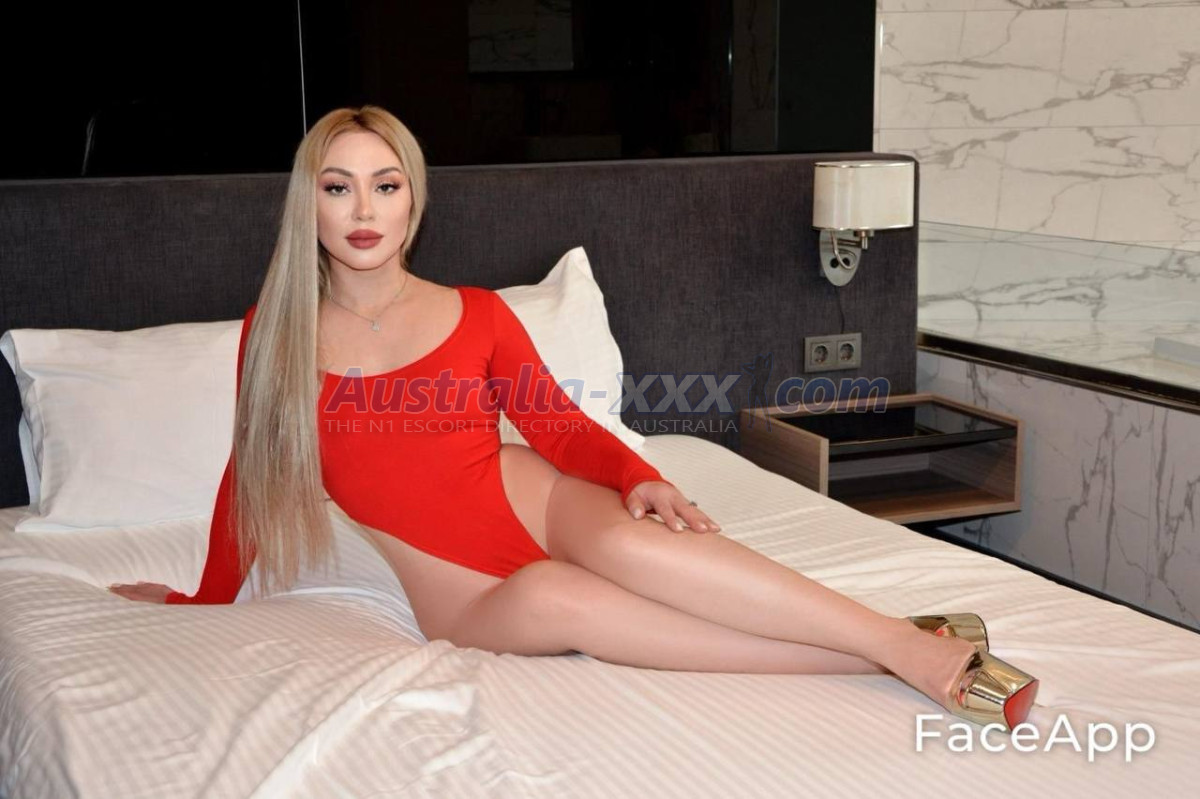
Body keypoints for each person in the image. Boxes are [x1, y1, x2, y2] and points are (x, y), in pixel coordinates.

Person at [109, 105, 1038, 731]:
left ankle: (899, 643)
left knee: (636, 542)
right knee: (564, 601)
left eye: (385, 185)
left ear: (413, 200)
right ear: (306, 201)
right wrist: (204, 598)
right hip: (461, 593)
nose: (363, 209)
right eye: (337, 185)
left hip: (538, 499)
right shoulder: (273, 334)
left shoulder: (477, 313)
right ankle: (895, 648)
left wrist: (639, 473)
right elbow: (250, 473)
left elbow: (556, 426)